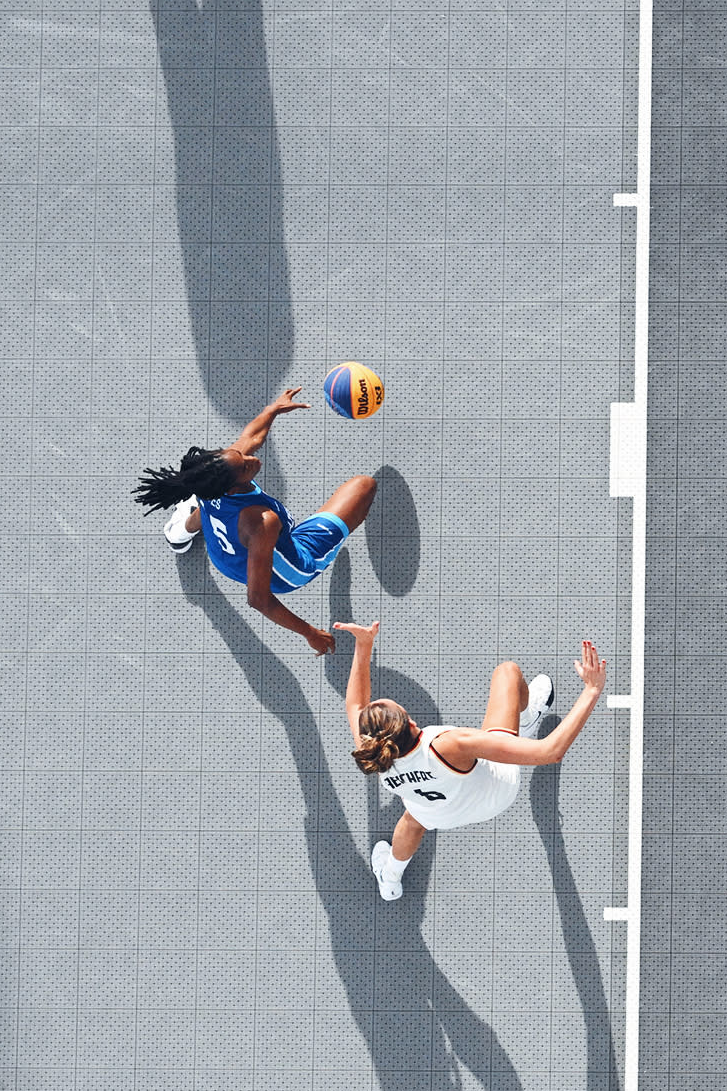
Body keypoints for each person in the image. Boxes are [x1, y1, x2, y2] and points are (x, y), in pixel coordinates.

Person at [338, 620, 608, 901]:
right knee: (507, 673)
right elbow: (550, 752)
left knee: (412, 822)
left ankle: (390, 878)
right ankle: (525, 720)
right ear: (411, 723)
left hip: (437, 812)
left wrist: (364, 644)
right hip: (497, 792)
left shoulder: (373, 750)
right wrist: (591, 690)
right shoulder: (449, 745)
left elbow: (355, 704)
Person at [132, 386, 377, 657]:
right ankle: (339, 532)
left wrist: (272, 409)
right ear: (233, 485)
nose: (252, 460)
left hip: (224, 556)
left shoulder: (212, 479)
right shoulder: (262, 522)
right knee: (363, 487)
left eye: (243, 457)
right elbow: (258, 599)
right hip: (288, 569)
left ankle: (178, 533)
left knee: (207, 505)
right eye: (246, 467)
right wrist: (310, 633)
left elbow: (252, 436)